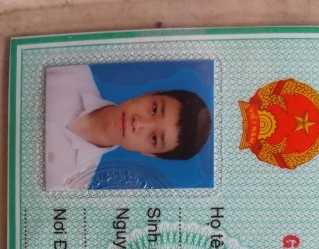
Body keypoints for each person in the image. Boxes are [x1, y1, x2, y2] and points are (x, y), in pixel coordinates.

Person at [45, 65, 212, 189]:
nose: (138, 123)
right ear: (151, 94)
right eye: (154, 109)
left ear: (150, 153)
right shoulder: (72, 71)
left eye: (154, 138)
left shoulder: (71, 186)